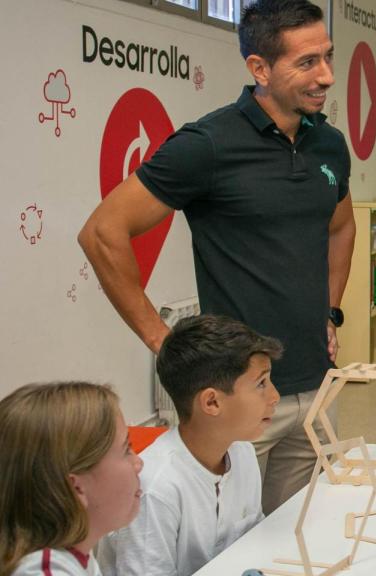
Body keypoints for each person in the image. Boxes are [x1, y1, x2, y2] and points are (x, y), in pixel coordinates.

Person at [77, 0, 356, 514]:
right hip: (234, 396)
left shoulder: (330, 145)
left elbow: (341, 227)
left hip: (317, 386)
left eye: (328, 57)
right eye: (307, 63)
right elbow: (102, 232)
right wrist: (161, 341)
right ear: (260, 69)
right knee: (231, 546)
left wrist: (330, 311)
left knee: (301, 535)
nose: (327, 76)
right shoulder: (206, 145)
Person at [99, 315, 282, 576]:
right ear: (212, 403)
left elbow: (251, 543)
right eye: (261, 384)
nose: (275, 396)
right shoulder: (156, 488)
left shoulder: (242, 452)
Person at [0, 382, 143, 576]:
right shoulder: (44, 572)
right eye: (126, 449)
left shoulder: (76, 554)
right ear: (75, 488)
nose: (138, 463)